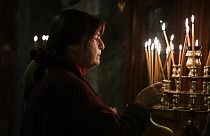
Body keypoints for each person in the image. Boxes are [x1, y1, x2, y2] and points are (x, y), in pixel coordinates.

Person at [20, 8, 163, 136]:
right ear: (73, 45)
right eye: (95, 38)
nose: (102, 45)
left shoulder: (56, 76)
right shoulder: (69, 85)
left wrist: (103, 117)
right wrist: (141, 103)